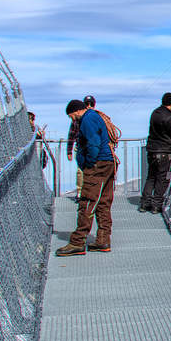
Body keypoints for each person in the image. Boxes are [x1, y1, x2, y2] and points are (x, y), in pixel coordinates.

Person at [58, 98, 117, 256]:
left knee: (87, 201)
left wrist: (89, 163)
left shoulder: (87, 119)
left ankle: (77, 242)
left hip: (98, 164)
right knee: (103, 202)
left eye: (71, 116)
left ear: (76, 111)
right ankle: (103, 240)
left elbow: (93, 142)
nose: (72, 119)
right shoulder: (94, 116)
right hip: (108, 162)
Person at [140, 92, 171, 212]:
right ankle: (156, 205)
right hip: (164, 152)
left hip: (152, 150)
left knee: (151, 177)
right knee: (163, 179)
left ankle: (145, 204)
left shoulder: (156, 113)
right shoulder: (169, 117)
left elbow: (166, 125)